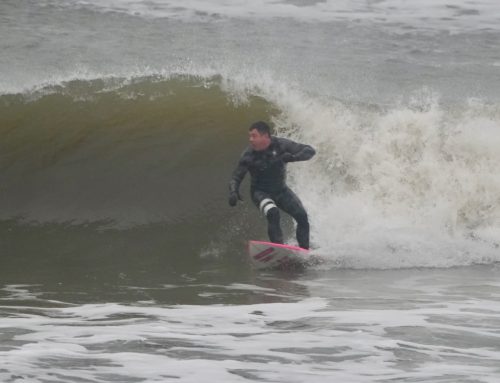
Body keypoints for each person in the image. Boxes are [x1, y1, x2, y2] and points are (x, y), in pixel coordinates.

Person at [228, 121, 316, 249]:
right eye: (249, 136)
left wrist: (293, 157)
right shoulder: (248, 156)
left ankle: (304, 251)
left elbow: (309, 150)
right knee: (273, 213)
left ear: (265, 136)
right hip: (260, 193)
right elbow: (236, 176)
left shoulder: (280, 145)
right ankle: (279, 250)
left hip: (281, 190)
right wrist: (233, 191)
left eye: (254, 136)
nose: (250, 139)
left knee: (302, 217)